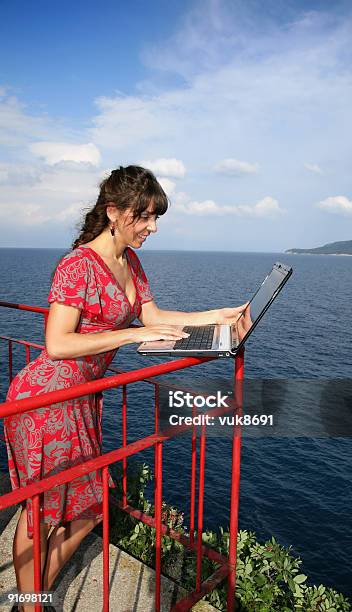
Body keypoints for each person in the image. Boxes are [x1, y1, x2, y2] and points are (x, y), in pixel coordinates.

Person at [3, 165, 246, 611]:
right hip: (46, 399)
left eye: (156, 218)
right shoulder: (78, 265)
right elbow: (58, 344)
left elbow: (153, 318)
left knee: (85, 507)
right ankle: (31, 602)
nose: (152, 227)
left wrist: (219, 314)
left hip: (80, 399)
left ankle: (28, 600)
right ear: (114, 211)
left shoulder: (129, 261)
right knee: (41, 511)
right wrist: (128, 335)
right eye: (145, 216)